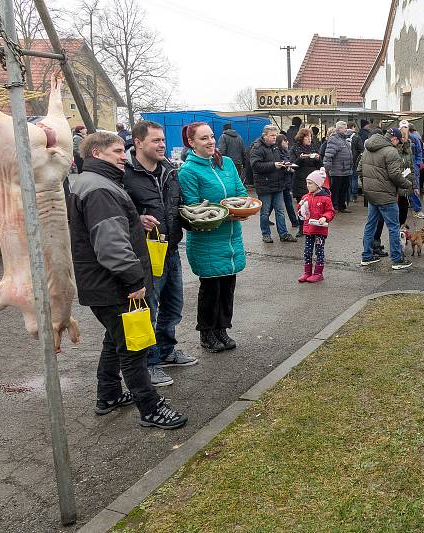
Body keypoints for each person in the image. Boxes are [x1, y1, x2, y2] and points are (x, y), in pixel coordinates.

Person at [67, 131, 187, 429]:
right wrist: (134, 281)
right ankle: (150, 408)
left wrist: (137, 221)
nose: (125, 155)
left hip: (102, 284)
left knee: (115, 339)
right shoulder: (100, 189)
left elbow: (107, 228)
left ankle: (107, 395)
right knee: (135, 348)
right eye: (118, 151)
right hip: (115, 285)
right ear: (97, 153)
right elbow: (110, 245)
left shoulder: (94, 183)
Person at [123, 120, 197, 387]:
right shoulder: (124, 173)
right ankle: (149, 363)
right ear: (139, 142)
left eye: (163, 140)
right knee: (149, 309)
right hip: (143, 254)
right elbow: (116, 212)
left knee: (173, 306)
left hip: (171, 249)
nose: (162, 144)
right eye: (156, 140)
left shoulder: (169, 169)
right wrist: (137, 221)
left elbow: (177, 206)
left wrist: (195, 214)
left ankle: (166, 350)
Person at [178, 122, 249, 353]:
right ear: (191, 143)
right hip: (207, 239)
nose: (210, 142)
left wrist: (237, 209)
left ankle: (222, 329)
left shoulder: (226, 163)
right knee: (211, 289)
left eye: (211, 137)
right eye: (203, 138)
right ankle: (207, 334)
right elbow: (194, 207)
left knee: (228, 286)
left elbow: (241, 194)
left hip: (231, 237)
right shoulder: (188, 171)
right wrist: (228, 212)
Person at [358, 127, 413, 270]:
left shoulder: (368, 147)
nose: (398, 144)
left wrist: (369, 185)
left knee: (370, 225)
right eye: (398, 141)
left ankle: (367, 256)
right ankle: (397, 259)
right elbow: (395, 175)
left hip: (371, 194)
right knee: (394, 227)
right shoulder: (391, 151)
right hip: (386, 196)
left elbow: (359, 169)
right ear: (394, 139)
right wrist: (407, 184)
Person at [250, 125, 297, 243]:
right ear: (264, 136)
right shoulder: (257, 147)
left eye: (275, 135)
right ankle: (266, 234)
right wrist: (273, 165)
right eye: (272, 135)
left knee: (280, 211)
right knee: (265, 212)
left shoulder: (275, 147)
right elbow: (255, 166)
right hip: (264, 185)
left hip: (278, 183)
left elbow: (279, 160)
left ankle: (284, 234)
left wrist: (285, 164)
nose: (274, 138)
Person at [297, 168, 335, 283]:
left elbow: (331, 211)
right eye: (307, 183)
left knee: (319, 251)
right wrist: (300, 209)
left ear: (318, 185)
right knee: (307, 251)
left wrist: (325, 217)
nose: (307, 185)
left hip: (319, 231)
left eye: (310, 183)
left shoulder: (325, 198)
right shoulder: (305, 197)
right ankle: (307, 272)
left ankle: (318, 273)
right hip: (308, 230)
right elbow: (300, 211)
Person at [290, 127, 322, 237]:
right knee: (302, 206)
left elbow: (320, 165)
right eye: (307, 137)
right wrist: (301, 158)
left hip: (313, 181)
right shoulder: (295, 148)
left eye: (310, 137)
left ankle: (312, 228)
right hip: (300, 181)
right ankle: (301, 228)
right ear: (301, 137)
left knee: (314, 206)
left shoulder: (313, 147)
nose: (309, 139)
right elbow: (293, 165)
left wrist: (318, 158)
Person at [322, 121, 353, 212]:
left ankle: (341, 206)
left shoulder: (344, 139)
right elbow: (329, 154)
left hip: (345, 170)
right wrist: (326, 168)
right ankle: (332, 206)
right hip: (337, 170)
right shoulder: (334, 139)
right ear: (339, 129)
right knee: (335, 190)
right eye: (345, 128)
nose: (346, 129)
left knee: (343, 189)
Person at [399, 120, 424, 219]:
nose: (404, 129)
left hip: (412, 164)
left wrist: (418, 164)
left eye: (406, 127)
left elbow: (419, 152)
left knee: (414, 187)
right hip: (400, 165)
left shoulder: (414, 139)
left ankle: (418, 209)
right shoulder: (396, 138)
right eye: (402, 127)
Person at [275, 134, 300, 228]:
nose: (287, 142)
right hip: (281, 181)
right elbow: (280, 167)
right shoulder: (277, 153)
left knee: (287, 202)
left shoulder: (286, 152)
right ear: (280, 142)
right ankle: (294, 221)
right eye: (285, 140)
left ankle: (294, 221)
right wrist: (289, 168)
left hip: (287, 181)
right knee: (283, 204)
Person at [348, 122, 365, 202]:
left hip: (344, 162)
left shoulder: (342, 136)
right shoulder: (356, 137)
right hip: (354, 160)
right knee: (354, 178)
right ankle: (354, 195)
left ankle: (347, 196)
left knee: (347, 179)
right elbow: (361, 149)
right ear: (353, 127)